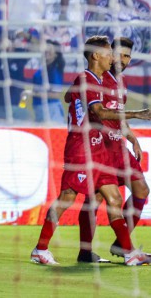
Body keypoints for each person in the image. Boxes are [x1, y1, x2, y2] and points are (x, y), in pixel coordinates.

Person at [31, 35, 151, 266]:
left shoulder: (96, 79)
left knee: (114, 197)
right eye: (111, 54)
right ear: (98, 56)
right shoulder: (89, 79)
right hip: (82, 147)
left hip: (99, 147)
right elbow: (99, 112)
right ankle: (41, 248)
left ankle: (129, 252)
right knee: (69, 197)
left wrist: (131, 136)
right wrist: (137, 114)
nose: (115, 59)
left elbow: (70, 97)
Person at [76, 37, 150, 263]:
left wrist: (133, 139)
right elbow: (97, 112)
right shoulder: (96, 79)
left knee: (141, 191)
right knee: (95, 199)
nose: (124, 60)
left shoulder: (121, 82)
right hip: (101, 147)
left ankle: (121, 244)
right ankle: (86, 251)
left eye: (128, 56)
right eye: (120, 55)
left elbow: (118, 117)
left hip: (119, 147)